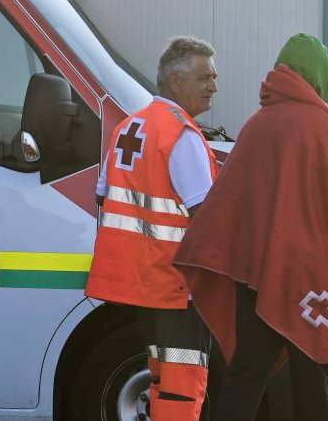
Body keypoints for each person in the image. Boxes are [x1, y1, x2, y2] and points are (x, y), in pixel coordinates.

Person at [173, 33, 328, 421]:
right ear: (318, 78)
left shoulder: (258, 124)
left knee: (246, 376)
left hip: (253, 278)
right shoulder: (320, 126)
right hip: (308, 281)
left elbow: (230, 206)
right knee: (312, 379)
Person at [85, 36, 220, 419]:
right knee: (183, 385)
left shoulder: (128, 129)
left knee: (160, 377)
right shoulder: (181, 135)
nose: (214, 87)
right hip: (177, 286)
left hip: (141, 284)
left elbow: (103, 198)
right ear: (176, 81)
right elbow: (206, 218)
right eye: (205, 77)